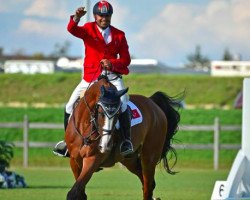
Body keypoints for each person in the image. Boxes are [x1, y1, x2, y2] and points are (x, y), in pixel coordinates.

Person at [53, 0, 133, 157]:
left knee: (123, 104)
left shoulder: (119, 35)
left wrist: (112, 63)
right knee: (69, 106)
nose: (104, 18)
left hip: (112, 78)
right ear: (95, 16)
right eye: (101, 15)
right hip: (90, 79)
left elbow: (126, 59)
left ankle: (126, 141)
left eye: (107, 15)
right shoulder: (88, 29)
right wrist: (76, 17)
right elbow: (72, 29)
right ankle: (68, 143)